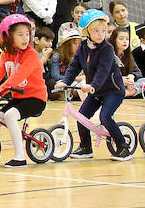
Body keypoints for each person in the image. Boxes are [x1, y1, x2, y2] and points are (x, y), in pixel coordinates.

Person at [55, 9, 129, 160]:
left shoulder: (107, 49)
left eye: (103, 30)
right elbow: (74, 66)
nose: (101, 34)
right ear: (86, 31)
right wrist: (65, 81)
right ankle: (85, 147)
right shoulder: (83, 47)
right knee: (82, 117)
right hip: (96, 92)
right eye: (96, 30)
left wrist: (92, 85)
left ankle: (123, 147)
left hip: (112, 90)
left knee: (105, 117)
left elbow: (103, 70)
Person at [0, 13, 48, 168]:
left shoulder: (31, 55)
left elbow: (17, 77)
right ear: (8, 36)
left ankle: (20, 157)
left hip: (36, 98)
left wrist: (0, 91)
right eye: (20, 35)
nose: (25, 38)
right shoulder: (7, 54)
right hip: (19, 98)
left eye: (27, 34)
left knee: (9, 115)